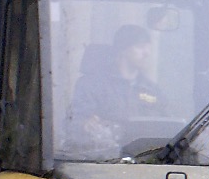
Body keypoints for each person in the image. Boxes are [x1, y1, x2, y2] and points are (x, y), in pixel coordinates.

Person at [68, 24, 167, 152]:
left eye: (148, 48)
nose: (147, 53)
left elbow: (166, 126)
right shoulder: (92, 85)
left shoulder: (152, 90)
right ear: (123, 49)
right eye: (140, 47)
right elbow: (73, 124)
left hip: (144, 159)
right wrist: (86, 125)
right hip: (102, 159)